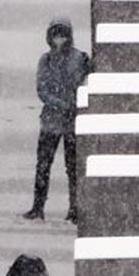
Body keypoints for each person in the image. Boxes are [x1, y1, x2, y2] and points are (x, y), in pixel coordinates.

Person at [27, 16, 91, 223]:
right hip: (52, 121)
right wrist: (63, 105)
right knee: (43, 164)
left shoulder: (81, 59)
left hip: (72, 121)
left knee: (73, 168)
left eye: (63, 36)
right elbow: (42, 90)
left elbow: (86, 85)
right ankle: (38, 207)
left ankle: (75, 208)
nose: (59, 40)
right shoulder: (45, 60)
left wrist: (74, 104)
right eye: (56, 36)